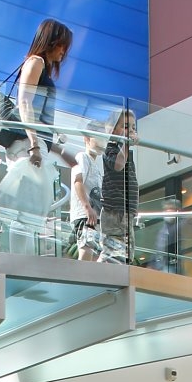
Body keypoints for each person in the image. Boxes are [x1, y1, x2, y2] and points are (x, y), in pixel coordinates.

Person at [5, 19, 72, 171]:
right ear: (51, 41)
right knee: (31, 190)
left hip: (31, 142)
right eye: (62, 44)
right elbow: (24, 102)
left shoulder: (40, 66)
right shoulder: (36, 62)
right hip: (27, 143)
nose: (64, 50)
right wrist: (34, 144)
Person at [100, 108, 138, 265]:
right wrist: (127, 146)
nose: (131, 131)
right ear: (113, 129)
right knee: (114, 251)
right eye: (126, 127)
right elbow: (118, 165)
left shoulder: (126, 153)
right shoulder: (110, 148)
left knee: (128, 251)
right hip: (114, 210)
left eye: (134, 128)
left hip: (125, 211)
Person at [69, 131, 104, 260]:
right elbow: (78, 181)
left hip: (93, 216)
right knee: (86, 250)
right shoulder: (82, 156)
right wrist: (87, 207)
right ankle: (79, 279)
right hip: (85, 215)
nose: (102, 143)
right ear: (87, 139)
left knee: (92, 253)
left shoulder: (96, 164)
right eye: (99, 138)